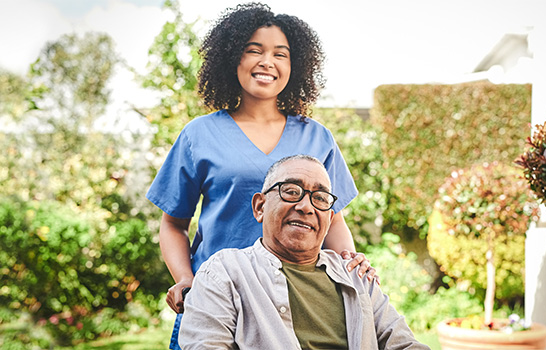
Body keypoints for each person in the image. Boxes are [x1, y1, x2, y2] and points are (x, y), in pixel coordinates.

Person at [145, 3, 376, 349]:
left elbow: (334, 220)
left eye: (280, 54)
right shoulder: (199, 135)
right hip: (217, 299)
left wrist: (349, 266)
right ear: (231, 59)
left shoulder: (317, 137)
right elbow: (173, 224)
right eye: (254, 51)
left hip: (298, 300)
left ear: (294, 66)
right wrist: (186, 280)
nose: (267, 61)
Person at [178, 155, 429, 350]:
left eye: (320, 198)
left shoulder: (356, 276)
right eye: (291, 191)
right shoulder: (225, 272)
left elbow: (403, 343)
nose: (305, 206)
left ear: (329, 219)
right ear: (260, 206)